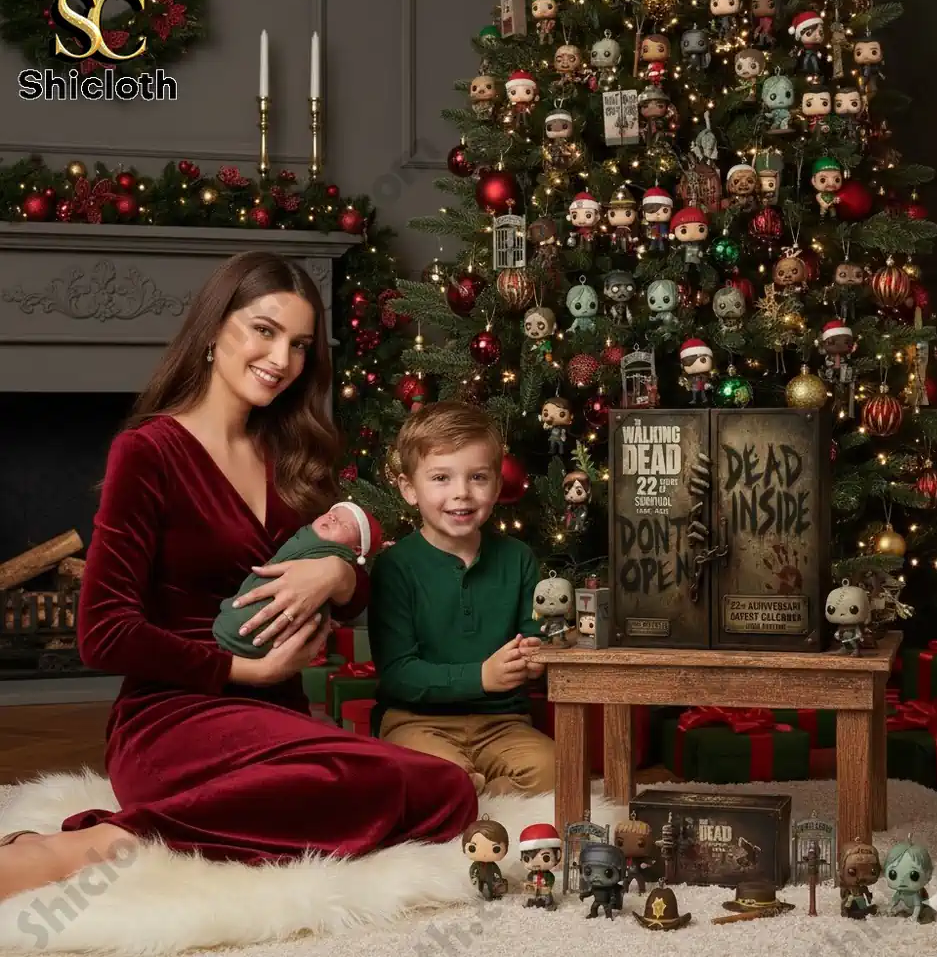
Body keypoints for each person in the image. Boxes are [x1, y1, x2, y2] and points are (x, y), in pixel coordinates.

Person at [0, 251, 478, 903]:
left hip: (278, 717)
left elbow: (358, 593)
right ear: (214, 330)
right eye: (264, 330)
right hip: (171, 718)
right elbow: (102, 633)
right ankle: (99, 843)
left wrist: (336, 576)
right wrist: (238, 672)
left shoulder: (294, 456)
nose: (282, 359)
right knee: (386, 787)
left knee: (444, 789)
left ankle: (171, 829)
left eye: (300, 344)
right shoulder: (148, 453)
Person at [369, 401, 556, 796]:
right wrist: (481, 676)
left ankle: (476, 803)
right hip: (416, 721)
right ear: (409, 489)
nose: (462, 494)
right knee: (432, 772)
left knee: (556, 769)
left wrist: (536, 658)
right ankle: (460, 793)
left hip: (503, 723)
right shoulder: (394, 567)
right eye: (441, 478)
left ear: (497, 485)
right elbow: (399, 673)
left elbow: (535, 636)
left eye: (477, 477)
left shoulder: (517, 558)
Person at [213, 500, 382, 658]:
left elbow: (357, 589)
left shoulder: (331, 552)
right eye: (332, 513)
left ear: (357, 549)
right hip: (213, 635)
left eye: (345, 524)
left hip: (269, 646)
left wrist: (338, 571)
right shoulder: (303, 537)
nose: (333, 518)